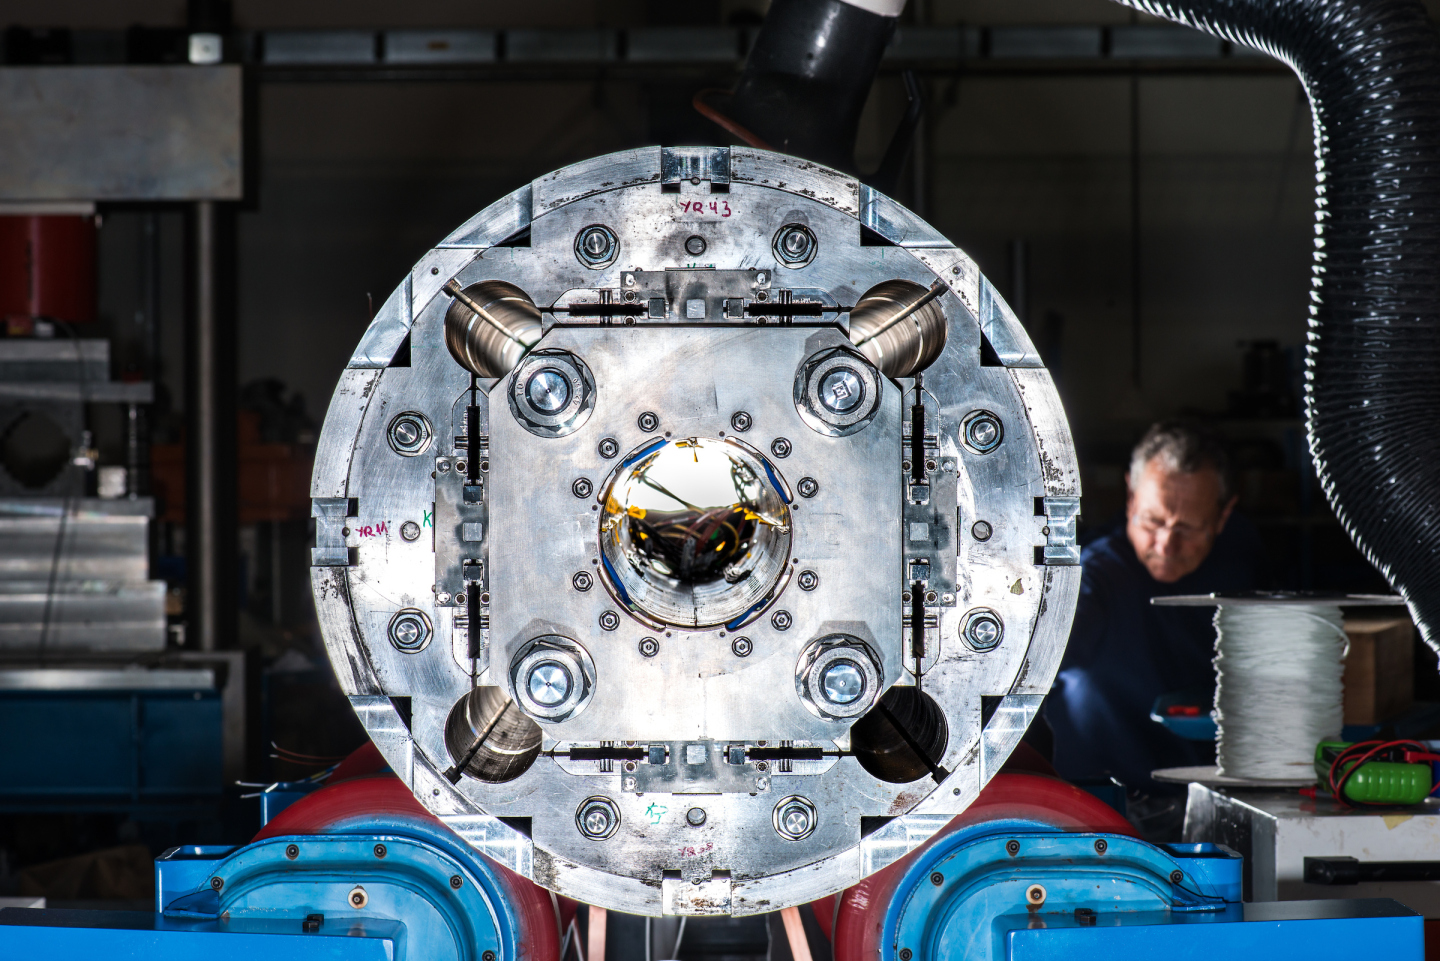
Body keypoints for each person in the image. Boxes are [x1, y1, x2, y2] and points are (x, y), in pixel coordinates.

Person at [1044, 421, 1263, 825]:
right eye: (1152, 521)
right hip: (1100, 812)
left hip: (1216, 801)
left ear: (1223, 514)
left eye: (1187, 529)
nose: (1166, 545)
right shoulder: (1094, 578)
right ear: (1130, 496)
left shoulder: (1243, 562)